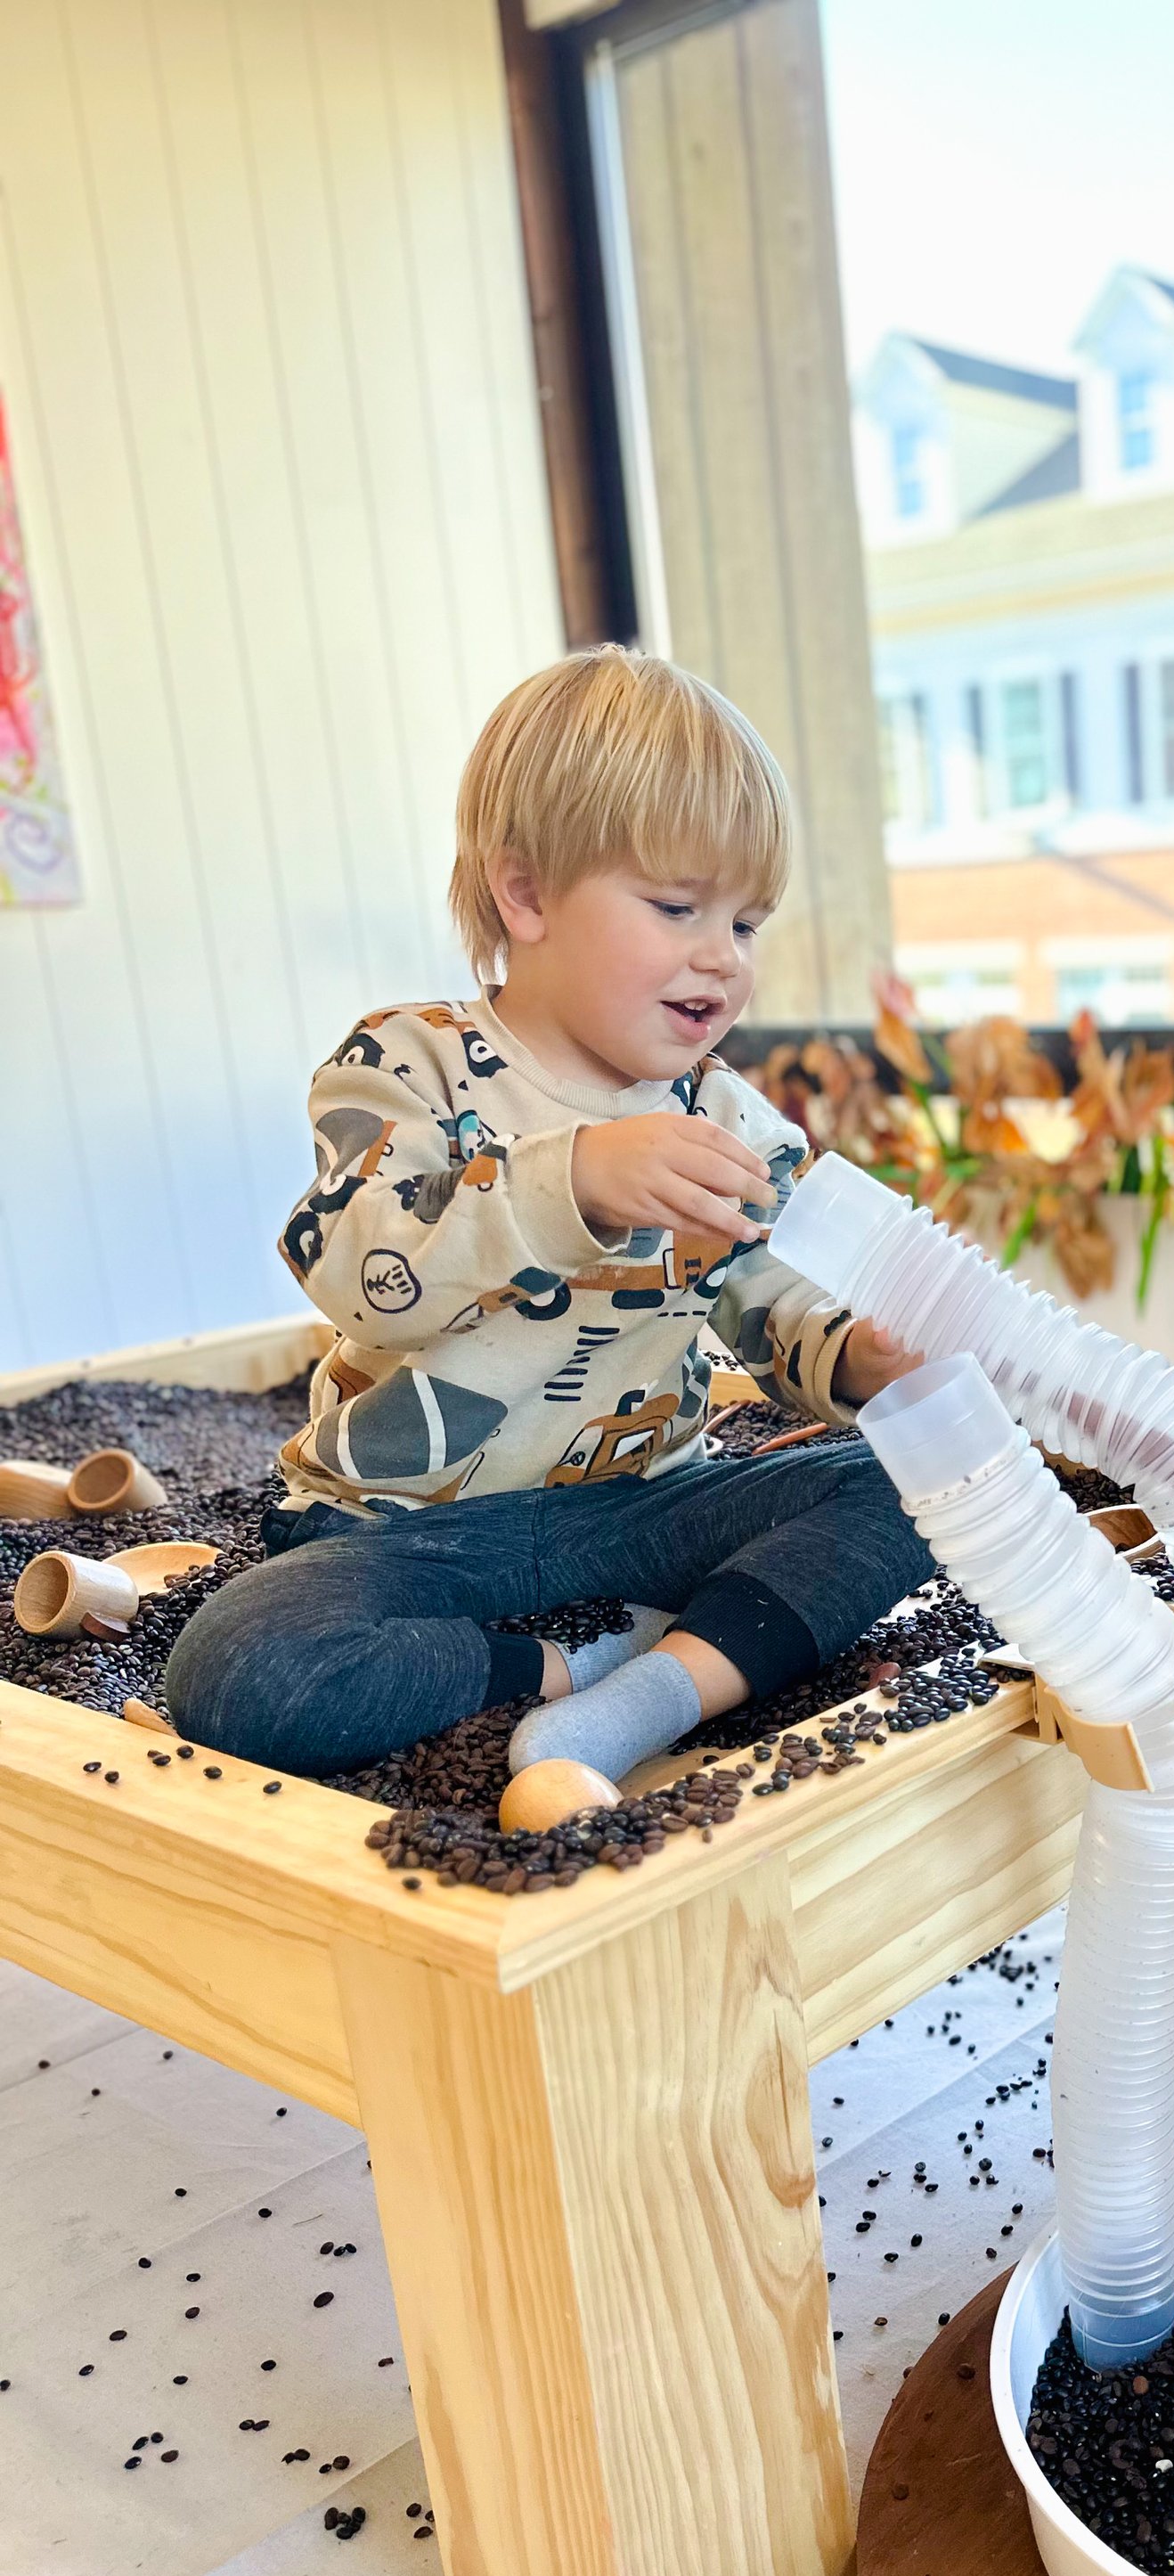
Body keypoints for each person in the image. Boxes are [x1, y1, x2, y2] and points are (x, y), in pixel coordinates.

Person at [167, 647, 924, 1783]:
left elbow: (768, 1309)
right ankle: (581, 1663)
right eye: (677, 907)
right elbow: (352, 1262)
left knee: (909, 1482)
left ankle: (650, 1699)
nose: (721, 958)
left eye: (748, 924)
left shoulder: (729, 1117)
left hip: (643, 1507)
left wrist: (861, 1360)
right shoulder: (406, 1064)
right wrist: (564, 1182)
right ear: (525, 896)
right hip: (410, 1528)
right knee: (240, 1665)